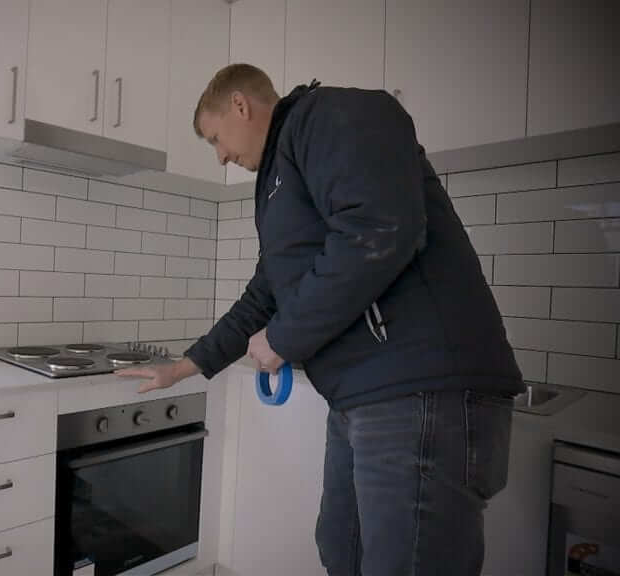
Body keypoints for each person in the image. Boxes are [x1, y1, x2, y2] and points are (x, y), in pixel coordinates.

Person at [116, 63, 525, 575]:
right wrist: (185, 366)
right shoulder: (279, 182)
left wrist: (285, 338)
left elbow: (378, 229)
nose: (220, 154)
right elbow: (264, 293)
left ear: (240, 105)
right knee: (341, 551)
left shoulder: (334, 115)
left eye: (215, 137)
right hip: (363, 396)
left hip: (419, 391)